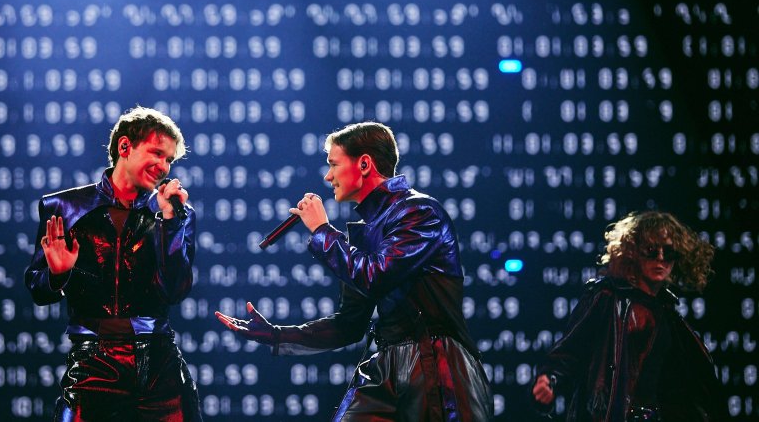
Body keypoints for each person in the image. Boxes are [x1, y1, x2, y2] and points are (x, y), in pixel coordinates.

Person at [216, 121, 493, 421]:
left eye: (333, 164)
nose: (328, 176)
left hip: (435, 366)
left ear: (364, 164)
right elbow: (350, 324)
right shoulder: (365, 234)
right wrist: (276, 335)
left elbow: (375, 275)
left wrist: (322, 231)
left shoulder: (419, 212)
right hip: (387, 366)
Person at [25, 106, 201, 421]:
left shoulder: (174, 215)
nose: (163, 166)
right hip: (95, 363)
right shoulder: (64, 207)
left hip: (159, 365)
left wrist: (170, 224)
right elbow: (38, 291)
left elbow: (175, 291)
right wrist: (58, 275)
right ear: (124, 147)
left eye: (169, 160)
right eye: (157, 153)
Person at [531, 211, 722, 422]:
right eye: (651, 250)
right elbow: (570, 350)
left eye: (668, 252)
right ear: (632, 252)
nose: (660, 258)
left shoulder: (669, 315)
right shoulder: (607, 299)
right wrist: (549, 380)